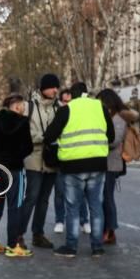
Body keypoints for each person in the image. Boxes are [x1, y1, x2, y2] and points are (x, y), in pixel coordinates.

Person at [43, 82, 114, 257]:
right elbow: (111, 136)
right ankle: (97, 247)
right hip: (97, 164)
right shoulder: (100, 107)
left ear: (71, 95)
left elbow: (49, 136)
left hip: (73, 167)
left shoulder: (67, 110)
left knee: (73, 207)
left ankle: (71, 247)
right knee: (96, 206)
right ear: (86, 93)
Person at [0, 94, 33, 257]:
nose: (24, 108)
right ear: (18, 106)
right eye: (23, 105)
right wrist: (16, 155)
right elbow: (28, 147)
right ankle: (12, 245)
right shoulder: (22, 122)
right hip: (15, 169)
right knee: (16, 206)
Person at [19, 73, 61, 250]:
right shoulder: (29, 107)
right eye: (52, 87)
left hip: (52, 159)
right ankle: (18, 234)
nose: (56, 90)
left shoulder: (58, 108)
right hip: (34, 159)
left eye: (56, 87)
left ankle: (38, 234)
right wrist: (42, 137)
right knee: (32, 197)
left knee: (44, 200)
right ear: (44, 88)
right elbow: (22, 132)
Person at [96, 89, 138, 246]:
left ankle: (110, 230)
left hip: (111, 164)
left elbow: (114, 141)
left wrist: (96, 139)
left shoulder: (119, 118)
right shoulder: (109, 116)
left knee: (107, 198)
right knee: (101, 198)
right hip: (102, 162)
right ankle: (104, 228)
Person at [52, 88, 88, 236]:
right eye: (64, 101)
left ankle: (84, 220)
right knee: (60, 193)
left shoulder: (79, 114)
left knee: (81, 193)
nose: (67, 104)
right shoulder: (58, 114)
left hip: (77, 158)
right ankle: (60, 220)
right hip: (61, 159)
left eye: (69, 101)